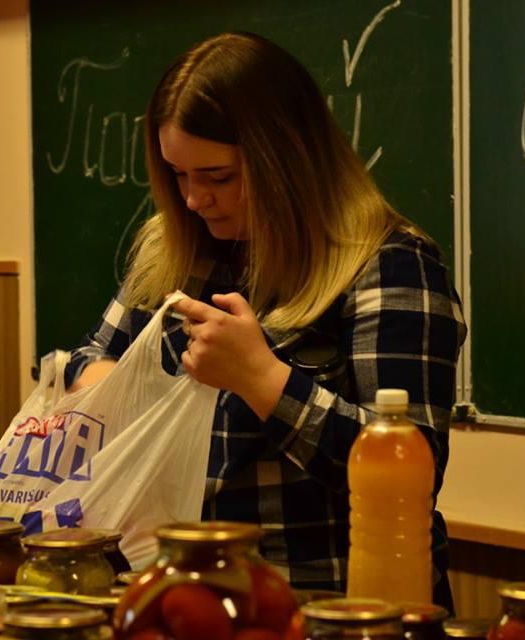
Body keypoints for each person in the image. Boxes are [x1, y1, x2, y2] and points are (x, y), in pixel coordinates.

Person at [64, 31, 467, 610]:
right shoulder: (175, 247)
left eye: (218, 177)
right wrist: (106, 387)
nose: (194, 199)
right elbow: (85, 358)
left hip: (327, 608)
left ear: (286, 159)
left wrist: (263, 380)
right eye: (178, 175)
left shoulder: (388, 264)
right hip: (184, 598)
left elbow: (411, 474)